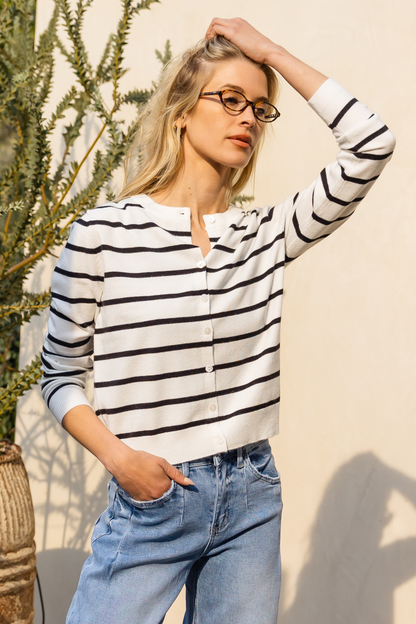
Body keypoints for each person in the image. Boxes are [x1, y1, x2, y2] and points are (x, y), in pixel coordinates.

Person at [40, 17, 395, 624]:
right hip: (153, 495)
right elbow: (59, 376)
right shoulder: (102, 234)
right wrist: (121, 461)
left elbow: (371, 144)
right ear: (182, 110)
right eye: (230, 99)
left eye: (259, 108)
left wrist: (271, 52)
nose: (247, 118)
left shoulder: (265, 235)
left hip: (252, 493)